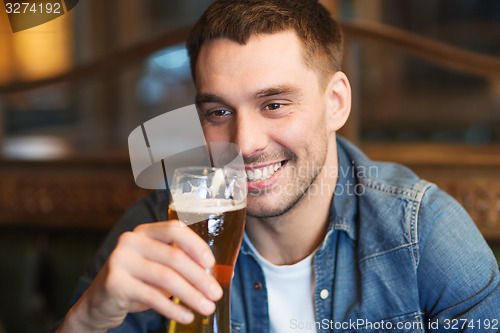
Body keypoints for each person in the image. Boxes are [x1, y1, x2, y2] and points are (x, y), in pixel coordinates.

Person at [56, 0, 500, 332]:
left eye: (274, 104)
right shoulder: (162, 227)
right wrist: (88, 317)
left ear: (336, 103)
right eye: (219, 112)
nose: (245, 145)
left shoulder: (424, 235)